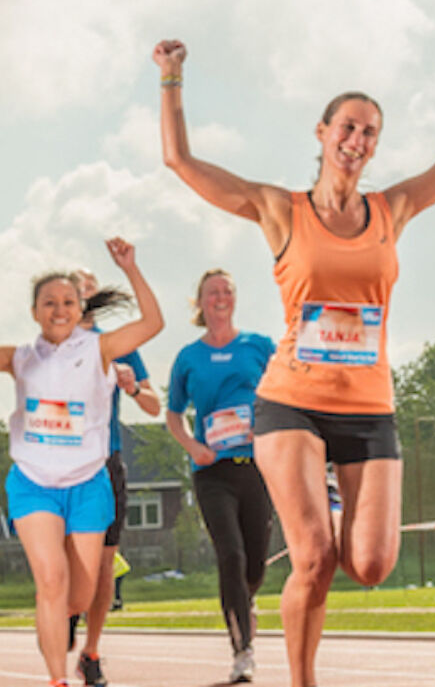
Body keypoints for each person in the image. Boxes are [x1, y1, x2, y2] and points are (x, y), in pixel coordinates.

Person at [154, 18, 435, 687]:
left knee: (373, 563)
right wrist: (171, 79)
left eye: (369, 133)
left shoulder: (395, 208)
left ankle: (326, 506)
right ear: (322, 133)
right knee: (313, 559)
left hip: (368, 408)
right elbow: (182, 163)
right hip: (290, 402)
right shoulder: (280, 209)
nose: (357, 141)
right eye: (347, 127)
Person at [0, 238, 163, 687]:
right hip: (34, 483)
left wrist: (131, 268)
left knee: (78, 595)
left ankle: (64, 625)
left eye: (67, 301)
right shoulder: (20, 357)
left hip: (87, 483)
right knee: (50, 581)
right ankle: (56, 679)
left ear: (81, 306)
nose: (58, 309)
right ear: (35, 311)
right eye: (48, 302)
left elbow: (154, 323)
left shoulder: (103, 348)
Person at [165, 269, 277, 683]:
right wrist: (193, 447)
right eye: (213, 292)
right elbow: (173, 414)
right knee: (229, 555)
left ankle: (244, 603)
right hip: (212, 472)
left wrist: (264, 422)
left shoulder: (259, 346)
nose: (221, 297)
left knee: (253, 566)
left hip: (258, 466)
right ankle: (242, 650)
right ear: (200, 302)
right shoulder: (188, 358)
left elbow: (286, 388)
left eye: (227, 290)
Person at [67, 267, 161, 687]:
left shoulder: (120, 344)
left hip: (107, 461)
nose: (83, 295)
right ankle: (69, 608)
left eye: (88, 287)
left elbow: (155, 406)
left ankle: (91, 653)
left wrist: (133, 387)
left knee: (105, 564)